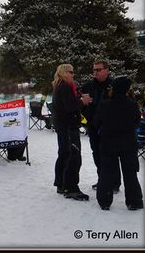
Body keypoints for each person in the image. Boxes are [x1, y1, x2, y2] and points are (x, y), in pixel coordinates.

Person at [95, 77, 144, 211]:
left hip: (108, 142)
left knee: (106, 171)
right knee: (130, 172)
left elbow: (97, 121)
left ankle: (104, 201)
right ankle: (134, 201)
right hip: (128, 142)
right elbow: (136, 122)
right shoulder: (133, 105)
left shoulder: (105, 104)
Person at [51, 63, 93, 201]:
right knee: (73, 155)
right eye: (70, 72)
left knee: (64, 153)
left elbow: (67, 104)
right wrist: (82, 101)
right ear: (63, 72)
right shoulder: (64, 87)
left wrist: (79, 98)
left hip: (64, 126)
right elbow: (70, 106)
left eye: (73, 72)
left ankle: (61, 184)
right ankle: (70, 187)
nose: (72, 74)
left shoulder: (61, 86)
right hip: (68, 126)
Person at [81, 60, 119, 193]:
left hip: (109, 127)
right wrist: (86, 111)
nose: (96, 72)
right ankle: (102, 179)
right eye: (94, 70)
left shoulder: (114, 86)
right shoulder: (88, 86)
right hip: (93, 126)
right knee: (96, 153)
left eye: (99, 69)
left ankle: (114, 182)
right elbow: (82, 104)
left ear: (107, 70)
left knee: (110, 155)